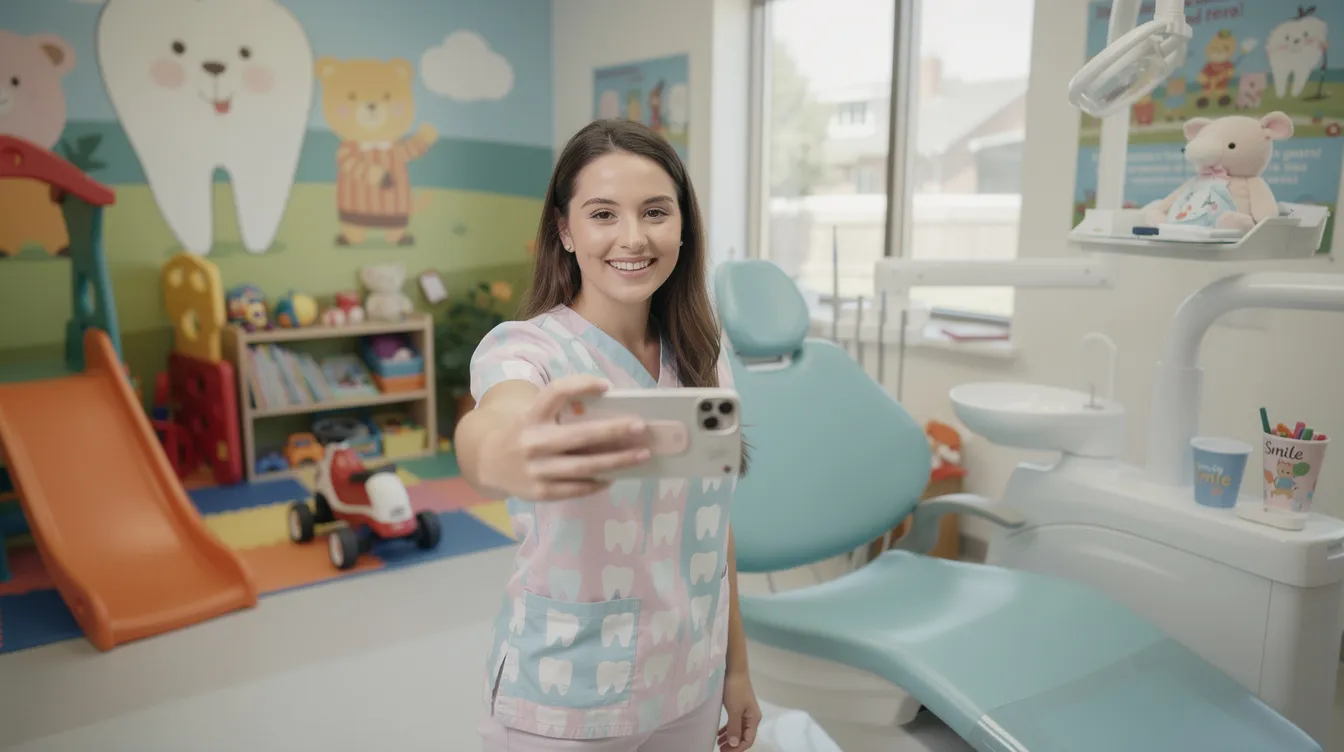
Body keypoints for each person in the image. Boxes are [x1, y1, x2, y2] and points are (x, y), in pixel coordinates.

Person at [456, 118, 762, 751]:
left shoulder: (702, 355)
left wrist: (736, 668)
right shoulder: (529, 349)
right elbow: (492, 425)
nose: (633, 237)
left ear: (683, 227)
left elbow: (714, 528)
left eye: (655, 212)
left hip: (691, 682)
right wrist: (502, 454)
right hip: (568, 697)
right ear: (565, 231)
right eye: (602, 214)